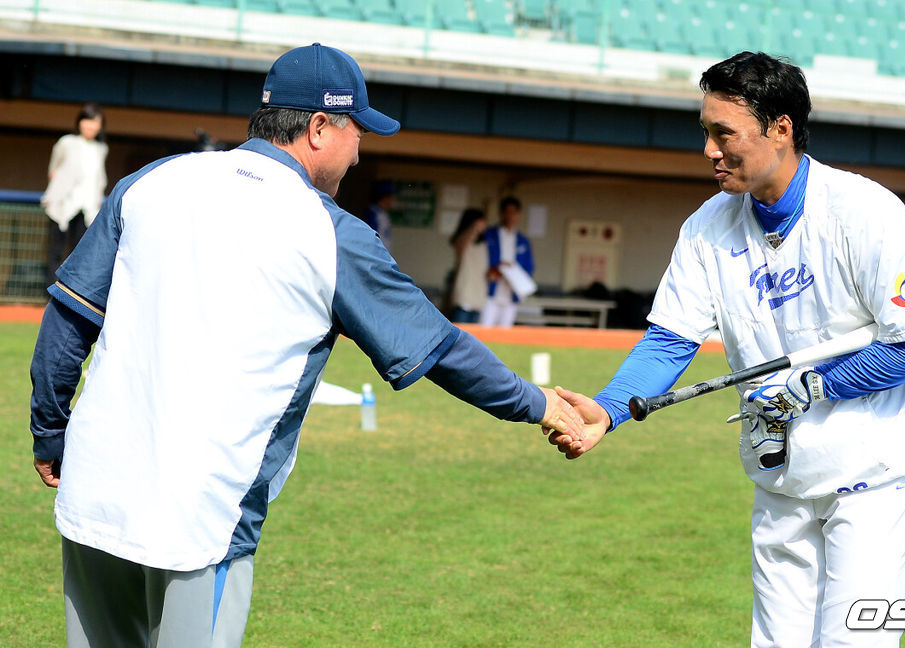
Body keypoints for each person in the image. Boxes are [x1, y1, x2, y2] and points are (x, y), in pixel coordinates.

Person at [29, 43, 582, 648]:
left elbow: (68, 320)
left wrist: (51, 433)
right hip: (203, 522)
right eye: (358, 130)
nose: (361, 148)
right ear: (320, 128)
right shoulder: (331, 231)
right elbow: (441, 349)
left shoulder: (151, 182)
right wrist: (542, 405)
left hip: (93, 497)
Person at [547, 51, 905, 648]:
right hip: (782, 469)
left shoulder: (865, 213)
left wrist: (816, 385)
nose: (709, 150)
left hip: (881, 471)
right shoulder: (707, 227)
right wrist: (609, 408)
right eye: (705, 133)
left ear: (781, 129)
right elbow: (671, 338)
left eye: (724, 134)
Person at [40, 102, 108, 286]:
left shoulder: (101, 149)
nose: (90, 125)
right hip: (62, 204)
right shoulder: (66, 143)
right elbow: (53, 170)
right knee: (55, 250)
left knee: (80, 252)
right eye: (87, 120)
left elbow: (99, 178)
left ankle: (72, 292)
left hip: (87, 207)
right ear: (79, 122)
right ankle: (51, 293)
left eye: (95, 122)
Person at [479, 196, 534, 327]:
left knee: (505, 332)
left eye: (514, 212)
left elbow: (529, 267)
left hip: (511, 293)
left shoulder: (523, 241)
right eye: (507, 212)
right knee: (484, 330)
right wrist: (496, 269)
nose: (510, 216)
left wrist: (514, 270)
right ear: (501, 213)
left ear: (519, 215)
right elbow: (479, 259)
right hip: (490, 292)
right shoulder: (489, 235)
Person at [448, 207, 489, 323]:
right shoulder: (461, 240)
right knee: (461, 333)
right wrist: (475, 228)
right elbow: (462, 243)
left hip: (479, 296)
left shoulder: (483, 244)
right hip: (464, 295)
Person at [362, 179, 396, 253]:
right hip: (375, 255)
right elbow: (371, 239)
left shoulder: (382, 213)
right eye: (391, 196)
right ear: (384, 197)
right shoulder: (373, 213)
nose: (393, 199)